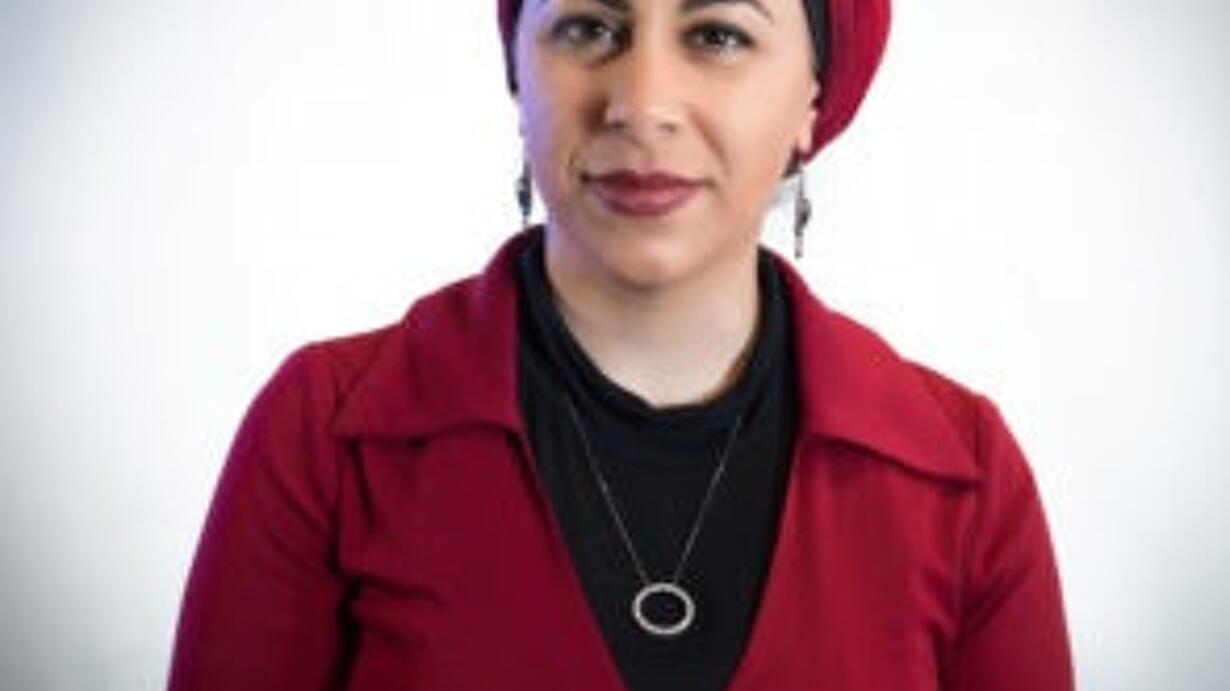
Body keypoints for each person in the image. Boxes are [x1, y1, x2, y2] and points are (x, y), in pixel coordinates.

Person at [167, 0, 1075, 689]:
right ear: (517, 74)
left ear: (814, 97)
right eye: (589, 27)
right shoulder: (326, 434)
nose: (642, 104)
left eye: (717, 35)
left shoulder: (966, 475)